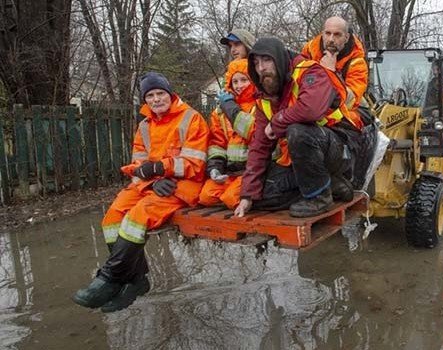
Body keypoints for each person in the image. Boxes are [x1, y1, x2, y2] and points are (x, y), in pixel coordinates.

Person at [72, 72, 208, 312]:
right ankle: (135, 280)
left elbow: (196, 163)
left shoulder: (191, 118)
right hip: (153, 185)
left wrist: (160, 169)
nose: (156, 99)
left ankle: (110, 278)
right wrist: (151, 182)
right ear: (145, 101)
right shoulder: (144, 126)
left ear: (170, 94)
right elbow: (137, 166)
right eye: (150, 96)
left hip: (183, 185)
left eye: (160, 93)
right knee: (112, 218)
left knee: (137, 217)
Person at [233, 37, 363, 218]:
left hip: (340, 148)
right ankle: (331, 185)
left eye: (267, 60)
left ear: (279, 59)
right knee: (262, 197)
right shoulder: (265, 97)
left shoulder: (310, 71)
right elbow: (259, 147)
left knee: (297, 131)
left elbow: (311, 109)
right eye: (256, 63)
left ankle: (319, 197)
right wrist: (247, 195)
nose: (261, 68)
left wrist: (277, 122)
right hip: (306, 160)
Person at [199, 59, 257, 208]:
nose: (239, 85)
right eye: (235, 81)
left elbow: (254, 133)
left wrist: (230, 108)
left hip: (252, 171)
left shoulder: (260, 105)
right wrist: (215, 168)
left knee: (231, 198)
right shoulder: (219, 112)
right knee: (206, 196)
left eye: (244, 80)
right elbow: (217, 144)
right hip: (230, 172)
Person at [301, 16, 368, 115]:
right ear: (322, 33)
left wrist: (331, 73)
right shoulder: (310, 51)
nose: (331, 39)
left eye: (337, 35)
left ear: (346, 37)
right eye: (328, 33)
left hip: (339, 114)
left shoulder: (357, 64)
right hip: (310, 107)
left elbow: (351, 102)